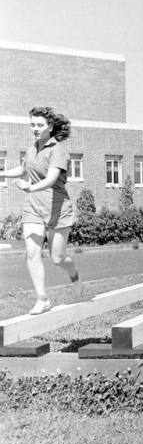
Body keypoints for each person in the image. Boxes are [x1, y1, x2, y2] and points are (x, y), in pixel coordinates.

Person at [0, 107, 83, 315]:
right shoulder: (32, 149)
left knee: (58, 258)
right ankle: (42, 298)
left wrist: (30, 187)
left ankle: (75, 276)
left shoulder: (58, 150)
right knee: (32, 252)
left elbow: (52, 179)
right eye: (32, 124)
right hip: (33, 208)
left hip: (58, 209)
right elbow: (22, 170)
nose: (35, 129)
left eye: (40, 125)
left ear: (50, 127)